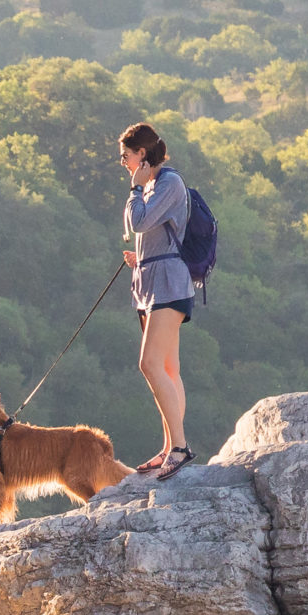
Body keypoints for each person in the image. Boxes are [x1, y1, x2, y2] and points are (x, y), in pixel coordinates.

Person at [119, 121, 192, 478]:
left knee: (149, 365)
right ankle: (169, 447)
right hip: (151, 283)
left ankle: (179, 447)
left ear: (142, 155)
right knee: (168, 370)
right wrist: (141, 258)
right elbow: (152, 233)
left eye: (126, 156)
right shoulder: (153, 184)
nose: (124, 163)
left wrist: (134, 191)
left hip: (169, 286)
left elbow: (140, 223)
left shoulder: (168, 183)